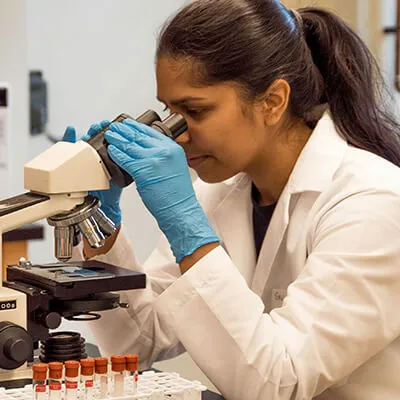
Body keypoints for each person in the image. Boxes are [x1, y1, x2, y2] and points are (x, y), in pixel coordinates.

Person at [64, 1, 400, 399]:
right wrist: (100, 229)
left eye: (194, 110)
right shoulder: (220, 191)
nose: (175, 134)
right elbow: (143, 339)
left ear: (273, 101)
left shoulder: (373, 202)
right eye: (168, 111)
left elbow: (278, 382)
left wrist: (188, 231)